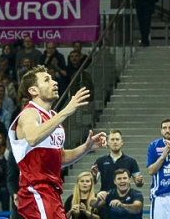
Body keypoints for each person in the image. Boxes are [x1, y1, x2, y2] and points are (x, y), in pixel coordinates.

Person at [9, 65, 106, 219]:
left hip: (52, 191)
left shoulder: (53, 117)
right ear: (33, 90)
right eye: (47, 80)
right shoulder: (29, 114)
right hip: (35, 190)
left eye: (53, 79)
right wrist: (67, 110)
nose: (54, 83)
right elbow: (33, 138)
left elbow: (62, 158)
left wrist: (86, 148)